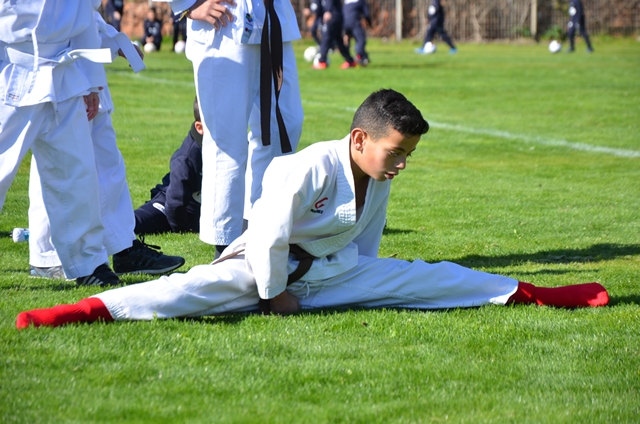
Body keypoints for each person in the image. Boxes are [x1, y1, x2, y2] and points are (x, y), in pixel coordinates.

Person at [15, 89, 609, 329]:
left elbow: (367, 242)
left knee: (428, 278)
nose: (401, 163)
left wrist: (368, 279)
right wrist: (275, 296)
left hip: (331, 271)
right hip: (260, 267)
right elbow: (268, 232)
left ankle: (535, 294)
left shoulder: (378, 175)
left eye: (408, 155)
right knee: (188, 292)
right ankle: (82, 308)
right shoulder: (306, 167)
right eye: (396, 152)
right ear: (359, 139)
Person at [25, 11, 186, 281]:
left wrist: (112, 41)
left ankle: (124, 247)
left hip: (82, 63)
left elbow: (82, 12)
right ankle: (49, 256)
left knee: (105, 163)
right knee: (60, 163)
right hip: (51, 63)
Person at [162, 0, 304, 258]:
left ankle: (259, 225)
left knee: (285, 126)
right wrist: (187, 5)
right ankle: (225, 244)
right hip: (224, 25)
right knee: (226, 141)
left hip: (272, 19)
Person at [0, 0, 124, 286]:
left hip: (64, 72)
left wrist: (92, 82)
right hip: (10, 71)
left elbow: (84, 16)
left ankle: (88, 263)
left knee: (76, 172)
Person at [134, 97, 203, 235]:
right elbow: (175, 203)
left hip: (201, 211)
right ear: (199, 127)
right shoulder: (186, 158)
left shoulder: (235, 147)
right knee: (135, 223)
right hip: (169, 206)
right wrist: (183, 229)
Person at [313, 0, 357, 69]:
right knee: (339, 41)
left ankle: (322, 62)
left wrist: (328, 11)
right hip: (337, 16)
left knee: (326, 38)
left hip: (332, 15)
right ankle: (350, 61)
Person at [343, 0, 372, 67]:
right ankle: (359, 56)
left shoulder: (346, 1)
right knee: (361, 40)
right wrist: (370, 23)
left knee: (347, 39)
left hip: (344, 23)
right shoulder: (361, 1)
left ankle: (349, 59)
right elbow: (366, 14)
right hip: (354, 22)